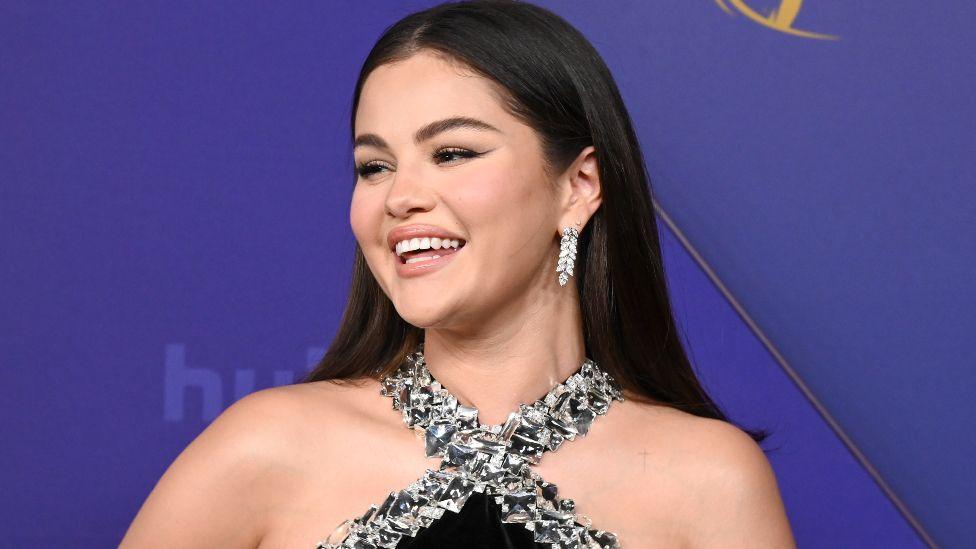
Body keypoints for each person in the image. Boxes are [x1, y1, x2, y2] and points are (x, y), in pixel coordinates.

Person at [122, 1, 795, 547]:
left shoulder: (712, 480)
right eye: (373, 165)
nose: (399, 195)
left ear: (579, 185)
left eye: (452, 151)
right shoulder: (266, 448)